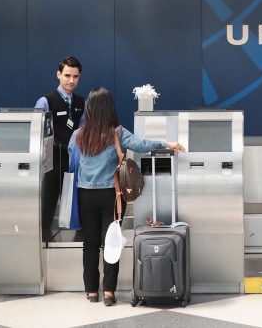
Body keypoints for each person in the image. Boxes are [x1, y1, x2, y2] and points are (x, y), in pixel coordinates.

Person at [69, 86, 185, 305]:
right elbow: (141, 145)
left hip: (85, 195)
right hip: (112, 197)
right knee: (111, 242)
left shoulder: (78, 135)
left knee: (90, 244)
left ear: (90, 109)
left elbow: (71, 158)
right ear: (109, 109)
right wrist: (166, 143)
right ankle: (109, 292)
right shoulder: (117, 133)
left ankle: (91, 291)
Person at [35, 56, 86, 242]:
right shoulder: (46, 101)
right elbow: (39, 133)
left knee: (78, 199)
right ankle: (44, 239)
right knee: (48, 201)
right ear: (59, 75)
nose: (71, 80)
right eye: (67, 75)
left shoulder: (81, 102)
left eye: (75, 76)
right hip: (53, 159)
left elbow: (83, 131)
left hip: (74, 159)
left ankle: (79, 238)